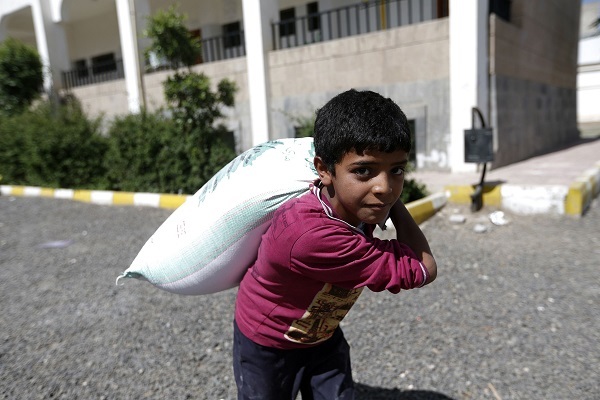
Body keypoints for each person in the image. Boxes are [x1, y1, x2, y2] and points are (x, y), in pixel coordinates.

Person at [233, 89, 437, 399]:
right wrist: (394, 203)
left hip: (319, 330)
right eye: (363, 171)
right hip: (268, 341)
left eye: (397, 170)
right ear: (324, 169)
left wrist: (386, 201)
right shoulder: (313, 237)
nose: (383, 187)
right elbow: (423, 268)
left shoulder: (352, 201)